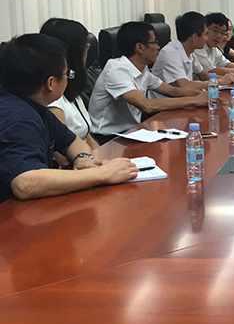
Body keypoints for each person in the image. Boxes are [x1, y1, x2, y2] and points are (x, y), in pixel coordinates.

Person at [0, 34, 138, 202]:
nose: (69, 77)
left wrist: (82, 158)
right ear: (51, 83)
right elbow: (25, 183)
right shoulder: (19, 118)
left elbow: (72, 142)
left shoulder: (33, 105)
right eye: (67, 73)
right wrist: (102, 174)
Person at [89, 21, 209, 144]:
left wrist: (200, 94)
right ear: (139, 47)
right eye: (154, 42)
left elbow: (172, 91)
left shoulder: (142, 69)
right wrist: (195, 100)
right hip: (108, 139)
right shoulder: (117, 70)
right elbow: (146, 105)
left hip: (132, 132)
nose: (158, 47)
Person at [40, 18, 100, 151]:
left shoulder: (71, 85)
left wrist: (105, 157)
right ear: (74, 53)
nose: (87, 52)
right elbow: (61, 154)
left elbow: (86, 135)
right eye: (85, 46)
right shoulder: (52, 99)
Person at [152, 11, 234, 90]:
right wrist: (220, 81)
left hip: (184, 98)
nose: (206, 38)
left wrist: (227, 78)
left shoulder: (189, 52)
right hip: (167, 101)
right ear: (195, 37)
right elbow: (185, 85)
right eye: (205, 34)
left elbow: (204, 76)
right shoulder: (171, 54)